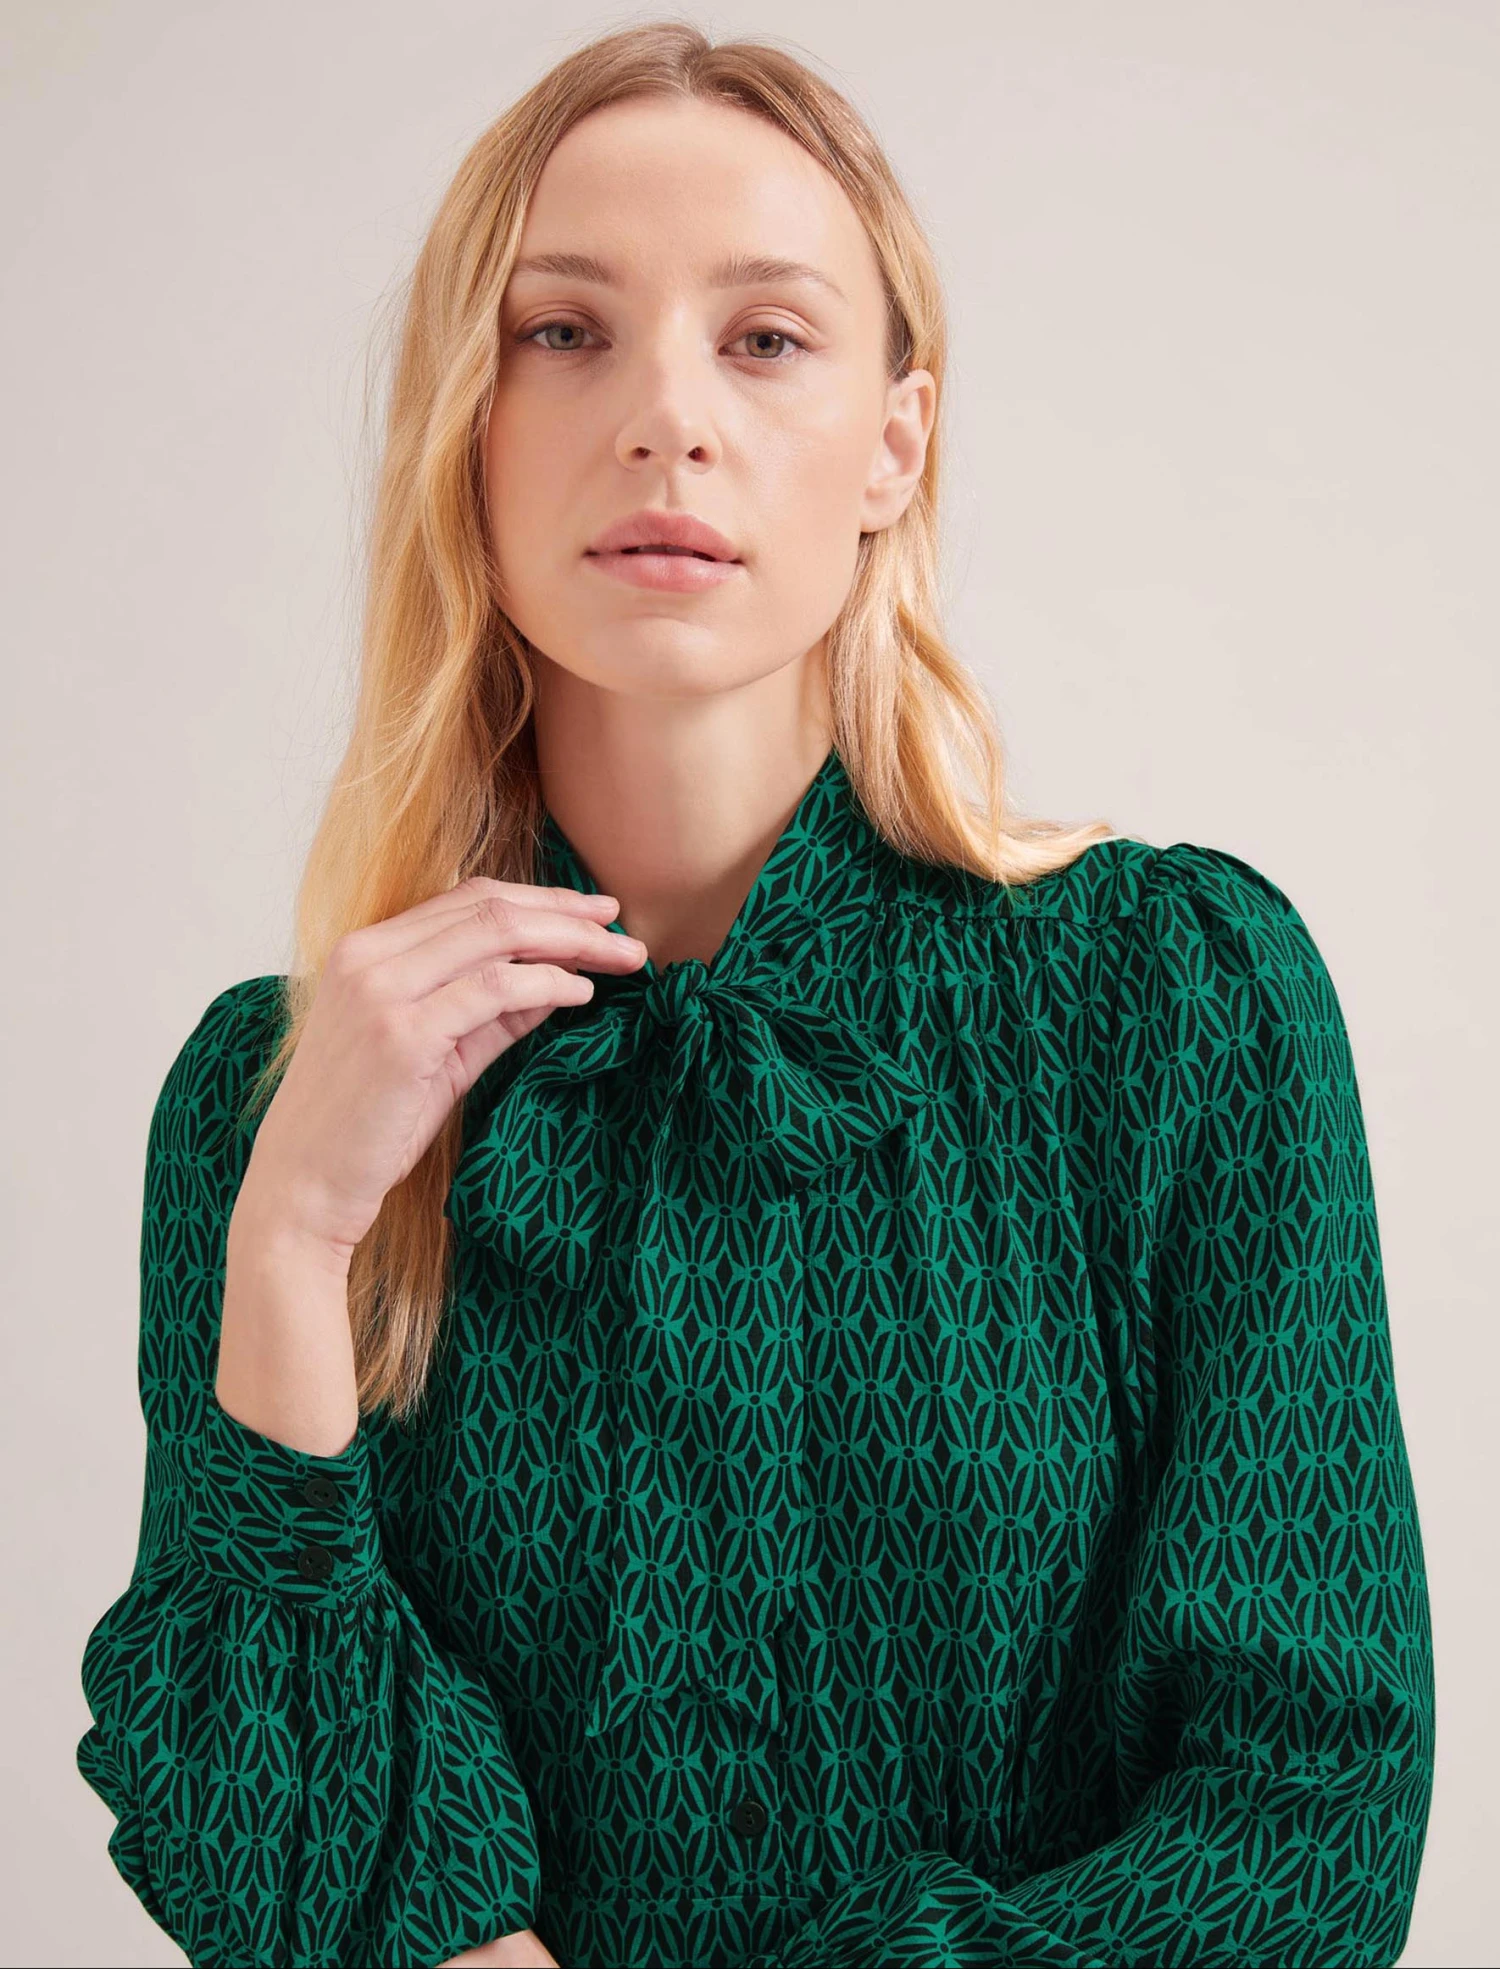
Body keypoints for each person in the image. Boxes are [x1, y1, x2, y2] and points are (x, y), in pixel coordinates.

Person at [75, 21, 1434, 1969]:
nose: (666, 418)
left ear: (897, 440)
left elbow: (1311, 1815)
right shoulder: (271, 1102)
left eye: (768, 337)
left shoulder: (1176, 1006)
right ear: (464, 423)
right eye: (562, 332)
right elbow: (248, 1829)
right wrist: (291, 1238)